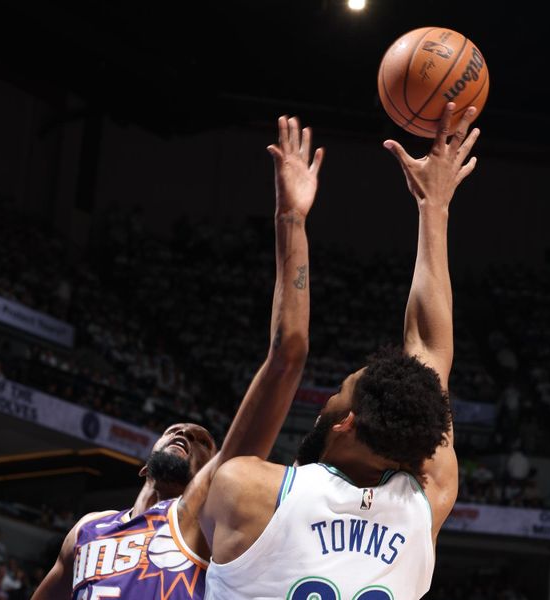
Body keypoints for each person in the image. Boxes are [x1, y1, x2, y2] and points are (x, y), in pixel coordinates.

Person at [0, 114, 324, 600]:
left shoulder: (195, 514)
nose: (186, 430)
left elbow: (287, 356)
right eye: (176, 430)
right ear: (144, 465)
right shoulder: (86, 533)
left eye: (203, 442)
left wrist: (292, 220)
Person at [200, 102, 480, 599]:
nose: (331, 395)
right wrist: (434, 209)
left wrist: (291, 217)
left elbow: (288, 353)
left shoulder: (248, 489)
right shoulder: (427, 503)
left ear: (344, 423)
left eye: (338, 390)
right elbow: (432, 351)